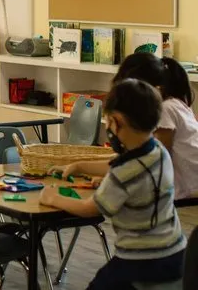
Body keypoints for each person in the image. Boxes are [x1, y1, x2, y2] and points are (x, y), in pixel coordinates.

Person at [40, 79, 185, 289]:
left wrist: (53, 197)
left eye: (108, 121)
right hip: (175, 253)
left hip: (141, 261)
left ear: (116, 121)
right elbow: (124, 170)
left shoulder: (123, 173)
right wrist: (80, 165)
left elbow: (90, 208)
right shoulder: (158, 151)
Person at [113, 52, 198, 200]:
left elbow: (156, 162)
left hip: (187, 186)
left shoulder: (165, 110)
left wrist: (116, 179)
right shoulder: (175, 103)